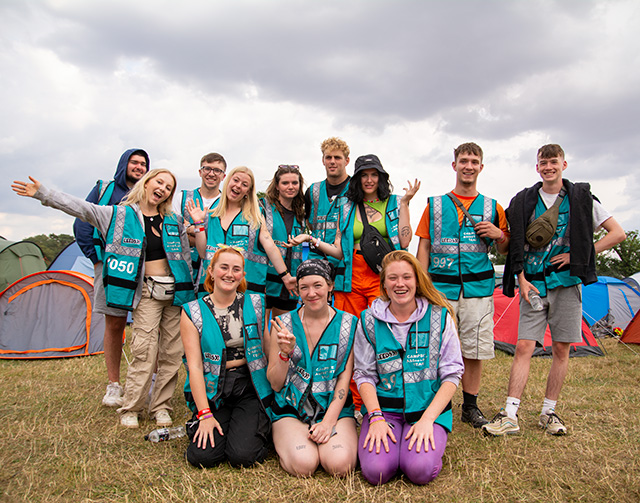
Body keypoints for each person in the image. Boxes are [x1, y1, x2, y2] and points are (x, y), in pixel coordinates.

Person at [12, 169, 196, 429]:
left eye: (169, 187)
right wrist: (44, 194)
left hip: (174, 293)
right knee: (144, 349)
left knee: (171, 353)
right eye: (160, 182)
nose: (163, 189)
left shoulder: (174, 221)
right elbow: (81, 208)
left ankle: (161, 406)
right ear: (146, 183)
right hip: (146, 293)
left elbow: (186, 256)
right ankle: (132, 406)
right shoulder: (118, 215)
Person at [483, 144, 626, 437]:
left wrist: (581, 255)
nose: (548, 167)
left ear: (564, 164)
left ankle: (549, 412)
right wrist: (520, 278)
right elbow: (514, 245)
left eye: (553, 162)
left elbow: (618, 233)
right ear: (537, 167)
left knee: (561, 348)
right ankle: (509, 413)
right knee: (524, 346)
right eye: (543, 162)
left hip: (566, 284)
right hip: (532, 283)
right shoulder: (523, 201)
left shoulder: (582, 199)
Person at [293, 154, 419, 409]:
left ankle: (388, 394)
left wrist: (405, 204)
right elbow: (340, 251)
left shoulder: (393, 202)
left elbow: (404, 242)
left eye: (374, 174)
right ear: (358, 178)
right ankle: (358, 402)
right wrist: (313, 240)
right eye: (364, 175)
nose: (369, 180)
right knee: (350, 337)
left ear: (381, 177)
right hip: (350, 276)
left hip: (381, 277)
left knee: (384, 335)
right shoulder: (347, 205)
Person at [415, 142, 510, 429]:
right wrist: (423, 286)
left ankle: (470, 406)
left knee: (473, 350)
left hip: (478, 289)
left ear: (481, 166)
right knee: (433, 348)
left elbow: (506, 249)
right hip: (440, 289)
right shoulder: (435, 205)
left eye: (474, 161)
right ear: (454, 165)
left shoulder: (494, 207)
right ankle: (433, 404)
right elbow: (424, 247)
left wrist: (499, 234)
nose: (469, 166)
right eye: (464, 160)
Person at [354, 251, 464, 485]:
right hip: (385, 412)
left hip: (426, 412)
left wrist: (427, 421)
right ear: (383, 284)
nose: (400, 284)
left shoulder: (440, 318)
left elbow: (452, 374)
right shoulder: (368, 320)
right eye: (392, 278)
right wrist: (376, 418)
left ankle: (421, 444)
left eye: (407, 277)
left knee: (419, 470)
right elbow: (364, 374)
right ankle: (394, 444)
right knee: (376, 472)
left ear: (417, 281)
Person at [181, 247, 272, 468]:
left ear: (243, 275)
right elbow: (194, 368)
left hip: (249, 387)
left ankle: (253, 426)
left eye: (236, 269)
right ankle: (212, 422)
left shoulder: (257, 304)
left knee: (242, 457)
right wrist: (204, 414)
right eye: (223, 267)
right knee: (202, 458)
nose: (229, 274)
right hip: (215, 390)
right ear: (211, 271)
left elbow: (269, 352)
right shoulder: (192, 311)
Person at [266, 259, 358, 477]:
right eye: (304, 287)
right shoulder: (283, 324)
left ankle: (323, 437)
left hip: (332, 407)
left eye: (318, 285)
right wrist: (284, 354)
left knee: (340, 465)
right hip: (292, 408)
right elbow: (276, 383)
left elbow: (344, 380)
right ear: (297, 290)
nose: (311, 293)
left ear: (330, 286)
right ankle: (294, 438)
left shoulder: (349, 323)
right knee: (304, 464)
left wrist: (328, 423)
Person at [73, 148, 149, 407]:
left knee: (145, 325)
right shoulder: (105, 190)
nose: (138, 167)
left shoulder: (147, 194)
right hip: (109, 266)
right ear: (123, 164)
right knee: (115, 323)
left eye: (143, 164)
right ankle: (113, 384)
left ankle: (142, 383)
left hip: (140, 267)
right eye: (134, 162)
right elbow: (82, 223)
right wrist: (96, 258)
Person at [188, 166, 296, 298]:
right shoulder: (211, 213)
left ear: (248, 191)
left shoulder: (254, 215)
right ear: (228, 181)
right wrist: (198, 223)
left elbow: (269, 245)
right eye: (236, 180)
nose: (238, 186)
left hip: (245, 290)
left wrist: (285, 276)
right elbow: (202, 253)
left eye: (244, 184)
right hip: (212, 289)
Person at [260, 165, 306, 328]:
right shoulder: (263, 207)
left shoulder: (301, 214)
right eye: (285, 183)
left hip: (289, 284)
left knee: (283, 329)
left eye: (295, 183)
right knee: (261, 329)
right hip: (265, 279)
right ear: (277, 185)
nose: (291, 187)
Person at [304, 137, 351, 293]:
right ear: (323, 160)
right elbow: (309, 223)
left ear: (347, 161)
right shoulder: (313, 191)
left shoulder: (356, 189)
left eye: (337, 157)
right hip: (316, 258)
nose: (332, 161)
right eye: (328, 157)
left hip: (344, 260)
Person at [174, 153, 227, 280]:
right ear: (200, 172)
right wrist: (202, 234)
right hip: (183, 266)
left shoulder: (227, 203)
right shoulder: (182, 197)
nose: (211, 174)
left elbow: (223, 241)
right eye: (207, 168)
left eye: (217, 170)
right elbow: (173, 233)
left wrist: (190, 229)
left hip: (211, 271)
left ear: (223, 176)